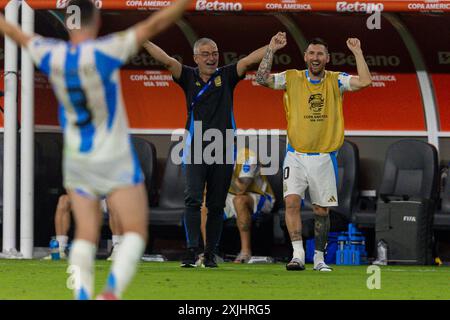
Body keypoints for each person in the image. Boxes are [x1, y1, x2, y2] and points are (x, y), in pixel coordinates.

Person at [0, 0, 191, 299]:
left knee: (86, 234)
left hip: (78, 159)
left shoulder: (51, 52)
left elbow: (13, 30)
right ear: (96, 20)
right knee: (136, 233)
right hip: (114, 157)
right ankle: (111, 292)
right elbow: (154, 25)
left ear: (67, 23)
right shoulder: (106, 50)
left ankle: (82, 294)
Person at [143, 33, 283, 268]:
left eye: (215, 53)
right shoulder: (187, 75)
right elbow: (166, 60)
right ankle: (191, 252)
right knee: (193, 200)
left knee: (217, 204)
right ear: (196, 57)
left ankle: (210, 254)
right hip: (196, 149)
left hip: (224, 148)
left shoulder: (227, 76)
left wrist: (271, 47)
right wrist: (143, 41)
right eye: (206, 54)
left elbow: (248, 61)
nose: (211, 58)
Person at [256, 34, 372, 271]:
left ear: (327, 58)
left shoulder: (336, 80)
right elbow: (260, 78)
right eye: (311, 53)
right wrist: (271, 49)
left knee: (321, 210)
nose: (315, 57)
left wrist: (358, 52)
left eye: (320, 54)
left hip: (324, 157)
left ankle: (319, 257)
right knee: (291, 203)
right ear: (305, 57)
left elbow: (365, 82)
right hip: (295, 155)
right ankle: (297, 255)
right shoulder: (292, 78)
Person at [199, 148, 275, 263]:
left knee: (239, 201)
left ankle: (245, 252)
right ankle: (210, 252)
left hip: (259, 196)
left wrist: (225, 168)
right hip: (230, 195)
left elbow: (242, 189)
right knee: (205, 205)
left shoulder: (247, 156)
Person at [43, 194, 122, 261]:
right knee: (63, 200)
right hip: (86, 200)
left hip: (105, 200)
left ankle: (118, 249)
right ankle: (60, 249)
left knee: (113, 199)